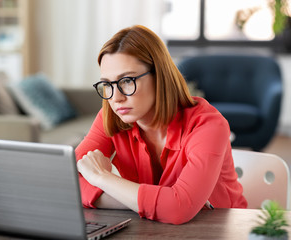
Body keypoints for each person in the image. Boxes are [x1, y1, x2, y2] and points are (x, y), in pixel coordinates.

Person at [76, 25, 247, 224]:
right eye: (107, 85)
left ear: (160, 76)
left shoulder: (208, 125)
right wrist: (149, 202)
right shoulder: (113, 116)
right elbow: (66, 181)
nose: (116, 97)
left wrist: (102, 178)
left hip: (221, 230)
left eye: (127, 81)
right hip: (152, 229)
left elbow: (178, 209)